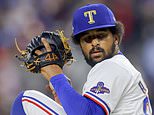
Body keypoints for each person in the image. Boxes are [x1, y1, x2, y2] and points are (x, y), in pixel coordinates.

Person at [11, 3, 152, 115]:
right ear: (80, 45)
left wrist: (56, 75)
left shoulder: (112, 66)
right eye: (87, 39)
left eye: (101, 36)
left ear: (116, 38)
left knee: (25, 100)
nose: (94, 43)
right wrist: (64, 97)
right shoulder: (120, 67)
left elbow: (89, 113)